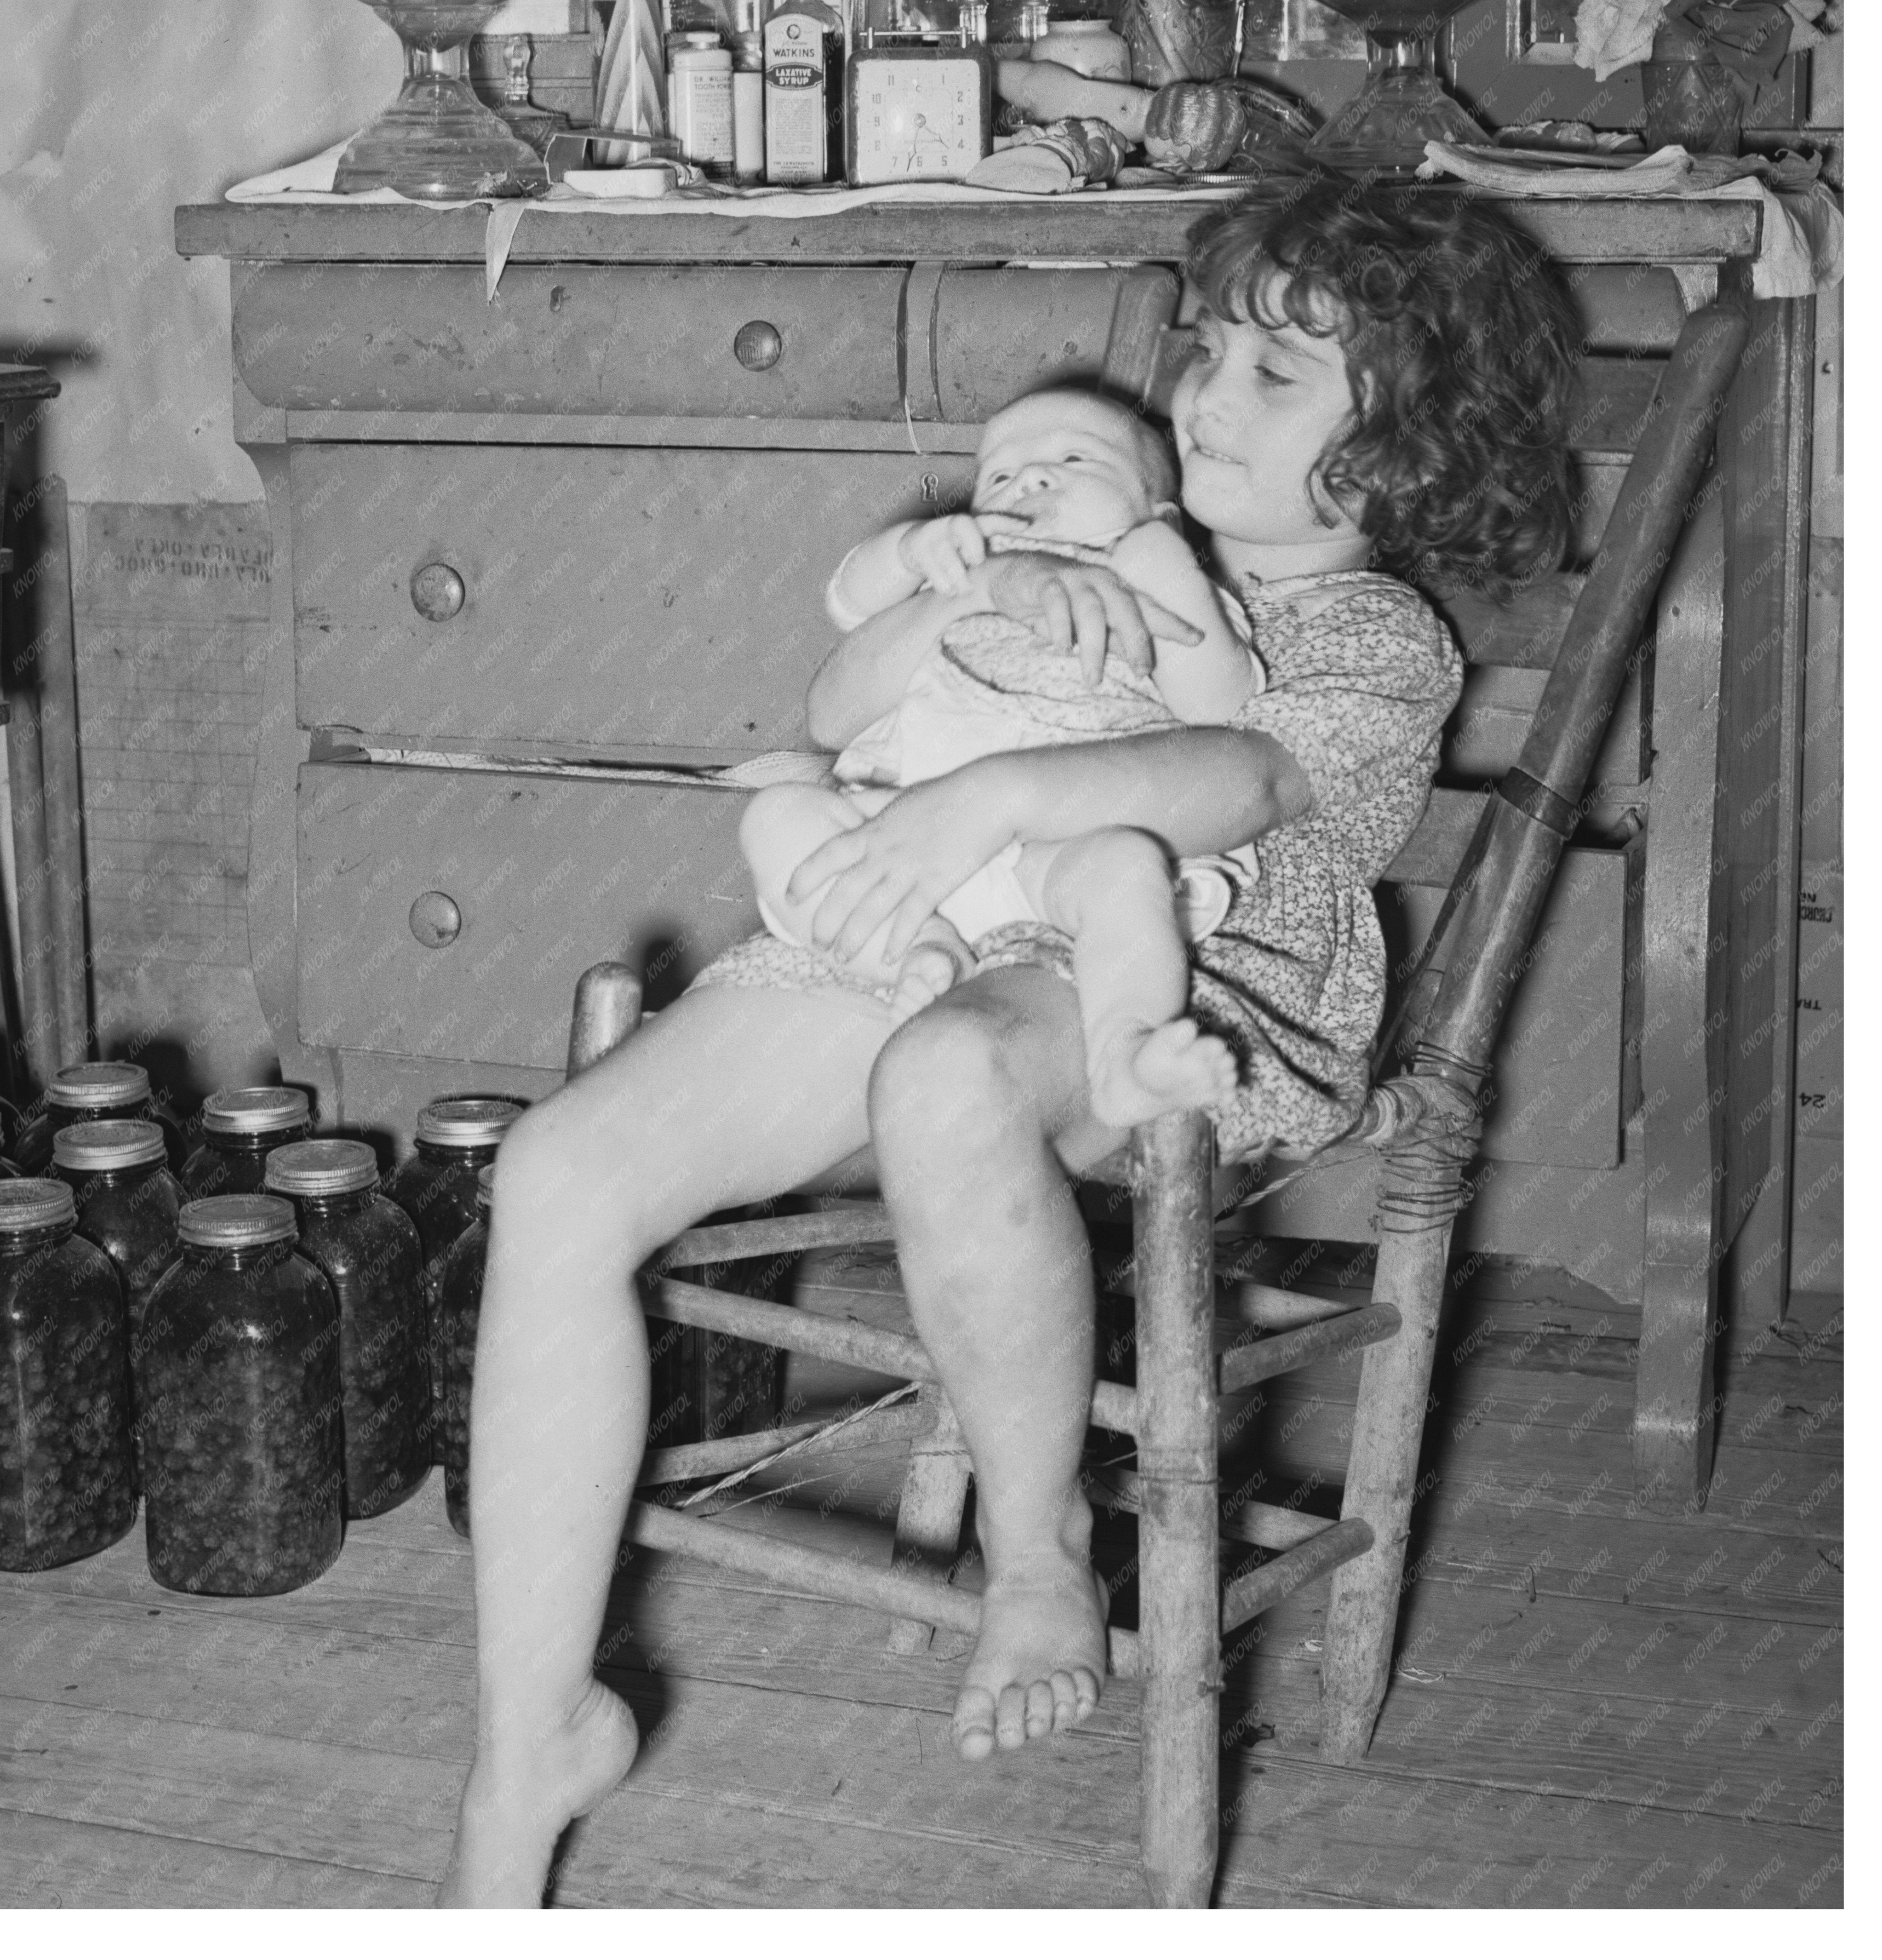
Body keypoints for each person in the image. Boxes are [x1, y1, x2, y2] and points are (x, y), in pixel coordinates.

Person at [439, 179, 1579, 1904]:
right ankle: (531, 1747)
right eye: (1210, 349)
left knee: (950, 1072)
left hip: (1175, 984)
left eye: (1279, 375)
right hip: (932, 919)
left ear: (1404, 452)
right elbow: (862, 702)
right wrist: (947, 620)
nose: (1202, 396)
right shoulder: (1060, 529)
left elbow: (1248, 784)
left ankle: (1041, 1538)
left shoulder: (1367, 634)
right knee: (562, 1168)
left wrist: (997, 790)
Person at [742, 384, 1275, 1135]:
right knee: (780, 815)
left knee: (1127, 869)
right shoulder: (961, 573)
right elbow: (848, 603)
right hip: (907, 843)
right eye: (999, 475)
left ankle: (1124, 1054)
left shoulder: (1164, 583)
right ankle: (920, 957)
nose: (1030, 481)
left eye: (1073, 459)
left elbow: (1220, 707)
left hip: (1057, 854)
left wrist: (1170, 574)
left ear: (1157, 515)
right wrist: (907, 551)